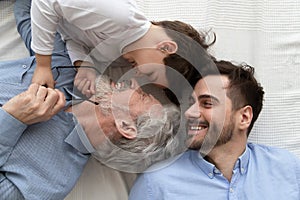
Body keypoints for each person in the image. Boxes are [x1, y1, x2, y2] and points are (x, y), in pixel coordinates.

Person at [0, 3, 181, 200]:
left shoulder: (50, 181)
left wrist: (11, 119)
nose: (134, 81)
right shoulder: (70, 71)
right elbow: (29, 7)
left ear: (126, 127)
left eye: (142, 96)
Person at [129, 60, 300, 199]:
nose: (189, 112)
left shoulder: (288, 169)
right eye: (190, 103)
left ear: (244, 117)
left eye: (207, 103)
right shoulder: (156, 184)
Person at [29, 0, 214, 98]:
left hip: (47, 19)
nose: (138, 75)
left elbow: (73, 38)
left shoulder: (120, 56)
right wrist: (43, 65)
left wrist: (84, 64)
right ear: (166, 47)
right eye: (150, 74)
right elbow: (45, 2)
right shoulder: (120, 16)